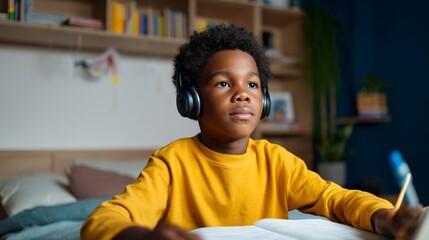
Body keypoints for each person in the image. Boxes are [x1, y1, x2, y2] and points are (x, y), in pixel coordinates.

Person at [81, 24, 425, 240]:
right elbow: (106, 219)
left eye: (253, 84)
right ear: (192, 100)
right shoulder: (172, 163)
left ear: (266, 99)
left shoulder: (277, 161)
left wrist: (384, 216)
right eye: (222, 83)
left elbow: (336, 198)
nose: (243, 93)